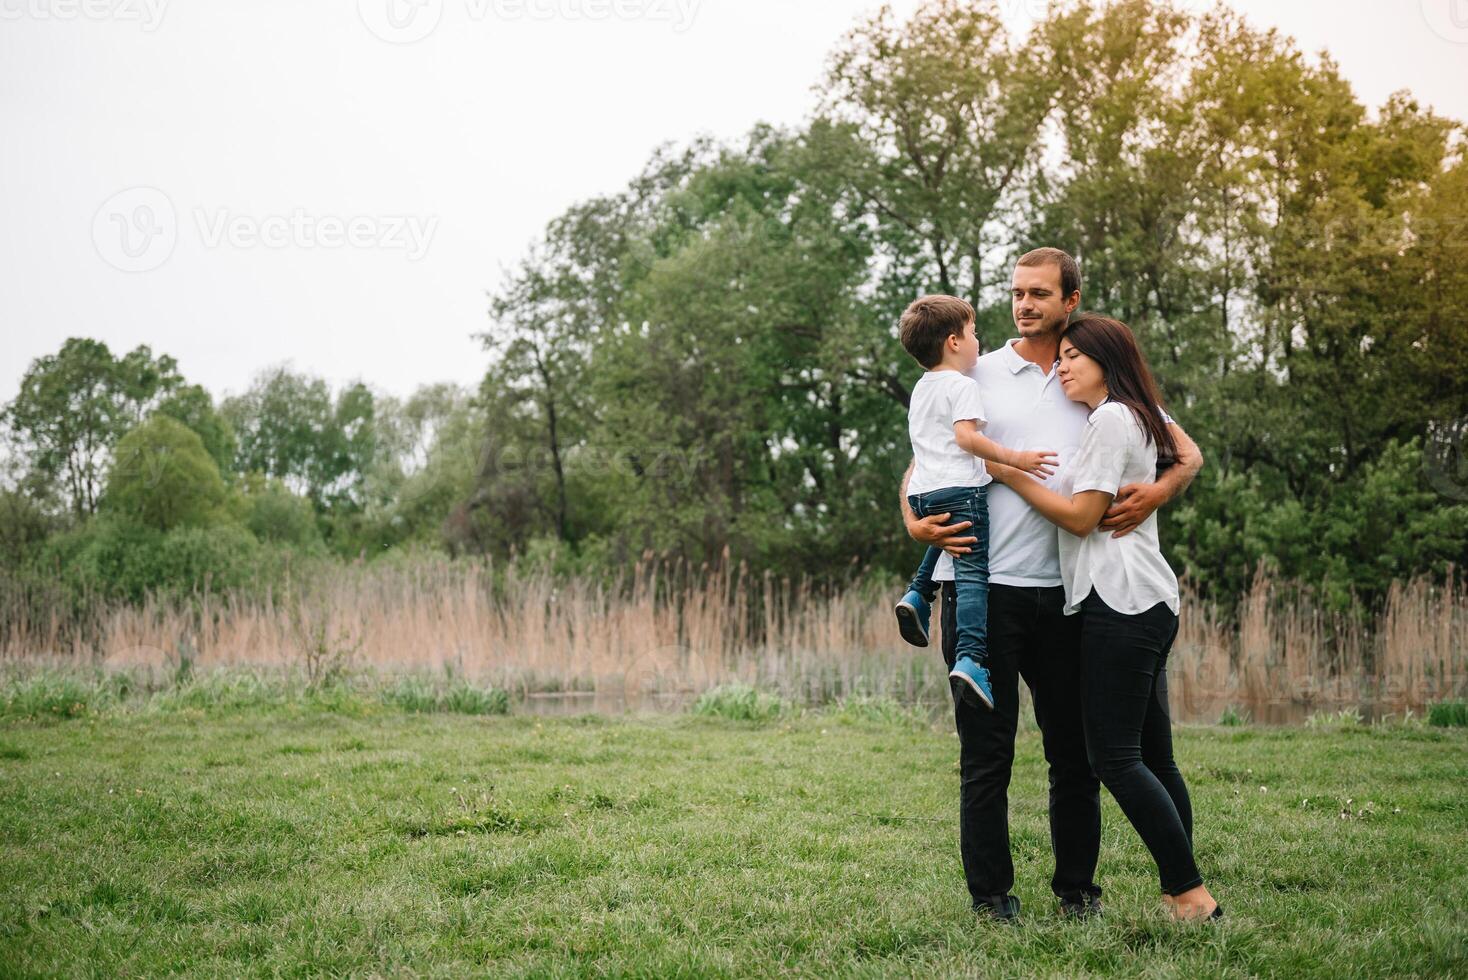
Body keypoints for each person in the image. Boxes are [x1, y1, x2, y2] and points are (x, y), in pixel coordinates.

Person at [901, 248, 1205, 921]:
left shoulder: (1088, 376)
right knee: (987, 758)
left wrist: (1156, 492)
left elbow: (1186, 454)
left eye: (1039, 293)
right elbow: (924, 460)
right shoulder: (974, 369)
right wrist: (915, 526)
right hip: (980, 586)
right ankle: (991, 900)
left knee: (1076, 758)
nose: (1024, 304)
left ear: (1072, 299)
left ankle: (1076, 894)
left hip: (1070, 597)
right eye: (1016, 293)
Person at [985, 312, 1223, 922]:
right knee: (1154, 756)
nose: (1061, 366)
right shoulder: (1129, 416)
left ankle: (1192, 894)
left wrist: (1006, 471)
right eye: (1059, 357)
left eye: (1072, 357)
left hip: (1120, 602)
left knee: (1113, 757)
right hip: (1143, 597)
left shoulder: (1113, 418)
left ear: (1105, 364)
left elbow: (1080, 516)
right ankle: (1180, 890)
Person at [894, 294, 1057, 709]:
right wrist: (1016, 458)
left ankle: (917, 594)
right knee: (972, 577)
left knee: (950, 536)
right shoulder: (963, 385)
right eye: (972, 333)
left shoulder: (922, 388)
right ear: (953, 341)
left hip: (926, 491)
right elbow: (967, 439)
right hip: (960, 486)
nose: (977, 341)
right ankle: (971, 657)